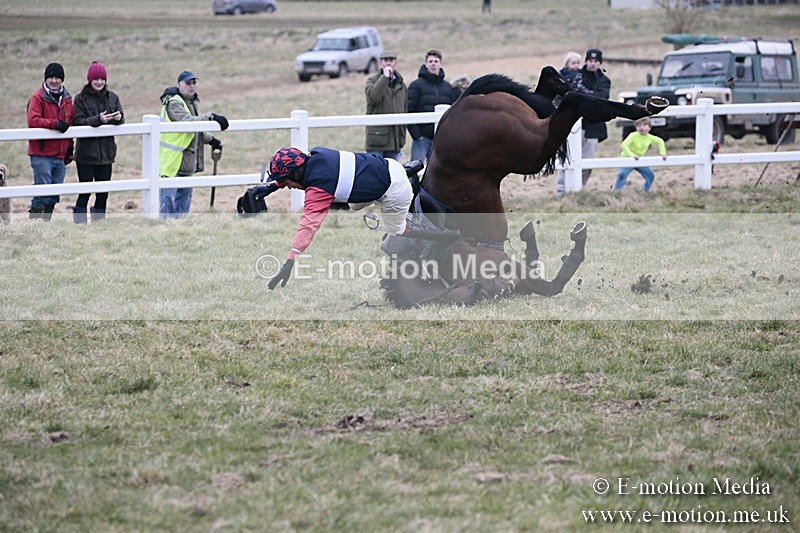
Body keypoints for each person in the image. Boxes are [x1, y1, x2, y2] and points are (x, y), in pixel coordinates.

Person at [263, 146, 422, 290]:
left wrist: (290, 261)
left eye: (285, 182)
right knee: (354, 205)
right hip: (388, 166)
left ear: (296, 174)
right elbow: (299, 175)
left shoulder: (320, 189)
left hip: (395, 190)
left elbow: (308, 226)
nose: (288, 187)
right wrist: (272, 187)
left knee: (396, 232)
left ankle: (428, 234)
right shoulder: (317, 154)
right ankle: (407, 175)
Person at [158, 70, 228, 218]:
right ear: (179, 85)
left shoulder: (190, 102)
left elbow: (195, 130)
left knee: (184, 199)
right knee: (168, 198)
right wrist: (210, 117)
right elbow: (187, 123)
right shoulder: (174, 102)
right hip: (172, 159)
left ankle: (180, 225)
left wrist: (211, 140)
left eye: (194, 83)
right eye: (187, 83)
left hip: (186, 158)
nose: (191, 86)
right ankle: (165, 225)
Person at [71, 61, 124, 224]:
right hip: (86, 155)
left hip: (106, 154)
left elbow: (122, 118)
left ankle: (99, 223)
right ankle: (79, 224)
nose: (99, 82)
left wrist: (118, 118)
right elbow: (77, 122)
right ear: (90, 80)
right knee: (85, 191)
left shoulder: (113, 97)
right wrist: (98, 120)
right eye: (96, 79)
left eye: (102, 79)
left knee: (103, 193)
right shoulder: (80, 99)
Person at [555, 48, 611, 195]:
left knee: (587, 163)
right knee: (567, 159)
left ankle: (577, 191)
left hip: (593, 127)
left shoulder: (604, 81)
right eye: (590, 60)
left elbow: (602, 99)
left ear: (600, 63)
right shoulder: (575, 76)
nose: (593, 63)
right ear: (586, 61)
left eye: (596, 61)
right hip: (572, 125)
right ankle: (561, 191)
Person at [27, 62, 74, 220]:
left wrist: (70, 148)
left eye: (57, 77)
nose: (54, 80)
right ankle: (34, 226)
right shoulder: (37, 97)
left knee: (53, 195)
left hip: (60, 155)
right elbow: (33, 120)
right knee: (41, 193)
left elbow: (70, 124)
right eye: (51, 77)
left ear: (62, 79)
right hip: (42, 154)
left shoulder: (67, 99)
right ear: (45, 78)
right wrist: (55, 124)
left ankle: (45, 225)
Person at [407, 50, 458, 164]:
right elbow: (409, 109)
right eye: (430, 61)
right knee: (415, 168)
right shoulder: (416, 85)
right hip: (422, 138)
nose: (433, 64)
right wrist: (417, 135)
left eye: (436, 61)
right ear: (426, 64)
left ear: (440, 64)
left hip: (441, 139)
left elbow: (453, 112)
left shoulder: (448, 87)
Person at [365, 50, 407, 161]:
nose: (388, 63)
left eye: (391, 60)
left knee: (393, 170)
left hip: (395, 140)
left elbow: (404, 108)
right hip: (377, 139)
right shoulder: (372, 81)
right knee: (375, 169)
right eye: (385, 60)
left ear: (396, 64)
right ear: (380, 64)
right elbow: (373, 97)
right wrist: (384, 78)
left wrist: (402, 135)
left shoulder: (401, 84)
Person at [614, 117, 667, 192]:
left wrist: (663, 153)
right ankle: (617, 192)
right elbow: (624, 145)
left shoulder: (650, 137)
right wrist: (632, 155)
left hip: (640, 160)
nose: (642, 128)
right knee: (622, 175)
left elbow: (660, 141)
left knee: (650, 175)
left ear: (649, 128)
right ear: (636, 127)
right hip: (627, 159)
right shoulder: (633, 135)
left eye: (644, 125)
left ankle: (645, 191)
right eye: (639, 126)